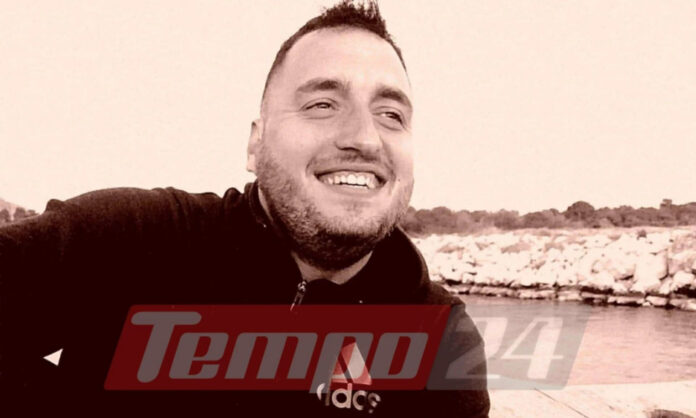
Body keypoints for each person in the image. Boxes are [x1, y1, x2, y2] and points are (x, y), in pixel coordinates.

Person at [0, 1, 489, 415]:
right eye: (322, 104)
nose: (364, 137)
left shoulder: (443, 338)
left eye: (391, 114)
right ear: (256, 145)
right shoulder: (132, 239)